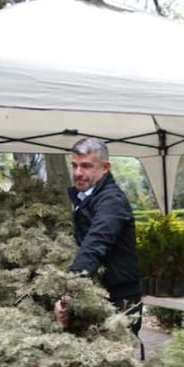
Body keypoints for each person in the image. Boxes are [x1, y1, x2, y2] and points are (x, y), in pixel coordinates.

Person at [54, 138, 142, 335]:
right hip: (97, 293)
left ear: (105, 168)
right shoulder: (85, 197)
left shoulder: (111, 201)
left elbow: (94, 245)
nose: (78, 173)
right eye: (74, 165)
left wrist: (67, 294)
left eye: (86, 166)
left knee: (115, 361)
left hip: (119, 300)